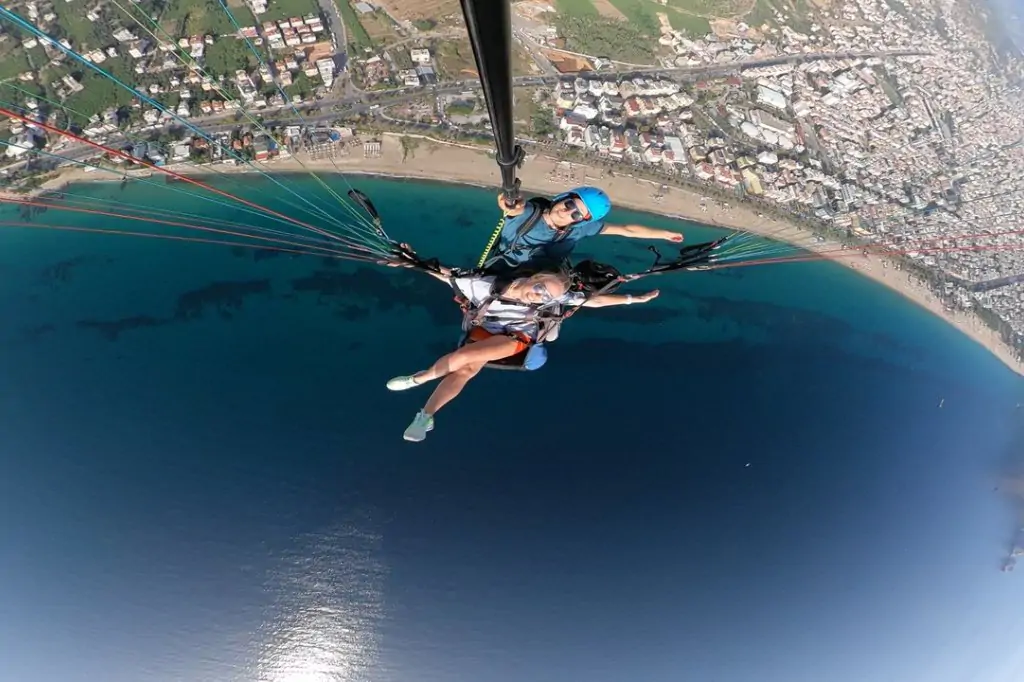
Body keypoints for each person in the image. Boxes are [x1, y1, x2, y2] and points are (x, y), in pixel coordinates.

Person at [386, 265, 659, 442]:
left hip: (516, 337)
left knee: (461, 360)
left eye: (545, 299)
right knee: (465, 371)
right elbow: (447, 276)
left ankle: (419, 379)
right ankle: (426, 416)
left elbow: (594, 300)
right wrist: (410, 261)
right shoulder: (485, 286)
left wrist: (635, 299)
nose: (538, 297)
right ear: (534, 278)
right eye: (539, 290)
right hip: (486, 327)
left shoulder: (550, 298)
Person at [482, 186, 685, 271]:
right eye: (570, 204)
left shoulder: (580, 229)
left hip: (539, 276)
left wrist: (665, 234)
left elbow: (626, 229)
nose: (567, 212)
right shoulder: (528, 214)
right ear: (563, 197)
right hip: (504, 270)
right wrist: (509, 201)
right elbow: (514, 207)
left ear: (581, 221)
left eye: (576, 214)